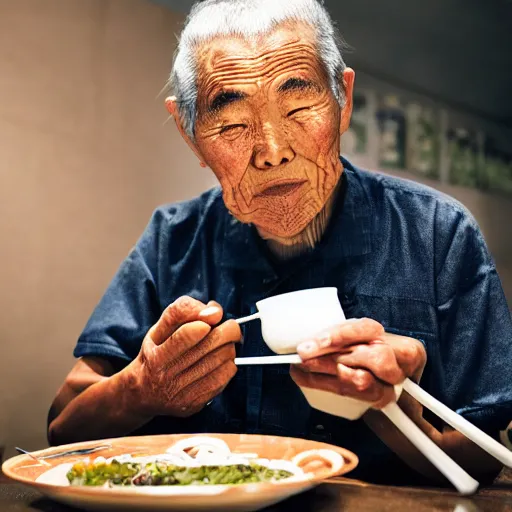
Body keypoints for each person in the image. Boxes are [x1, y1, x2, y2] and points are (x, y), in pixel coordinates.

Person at [47, 0, 512, 486]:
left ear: (343, 101)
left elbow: (483, 456)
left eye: (298, 108)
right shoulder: (174, 240)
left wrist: (387, 406)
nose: (272, 151)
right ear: (190, 135)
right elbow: (63, 426)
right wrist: (143, 388)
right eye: (231, 125)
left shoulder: (437, 232)